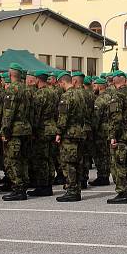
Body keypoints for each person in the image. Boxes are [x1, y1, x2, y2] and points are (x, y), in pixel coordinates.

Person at [0, 63, 33, 201]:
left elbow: (8, 113)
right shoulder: (27, 90)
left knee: (12, 160)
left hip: (15, 131)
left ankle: (18, 189)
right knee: (23, 160)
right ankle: (23, 186)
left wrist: (4, 131)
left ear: (10, 74)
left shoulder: (12, 90)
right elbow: (32, 111)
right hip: (26, 129)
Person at [55, 71, 89, 202]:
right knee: (77, 162)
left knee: (68, 163)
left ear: (62, 82)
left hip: (69, 134)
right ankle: (77, 189)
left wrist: (59, 132)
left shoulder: (66, 96)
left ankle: (72, 190)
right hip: (80, 132)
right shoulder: (81, 94)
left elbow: (63, 118)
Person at [107, 71, 127, 204]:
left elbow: (116, 117)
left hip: (121, 134)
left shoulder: (117, 94)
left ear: (114, 81)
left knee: (119, 164)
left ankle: (122, 192)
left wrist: (113, 136)